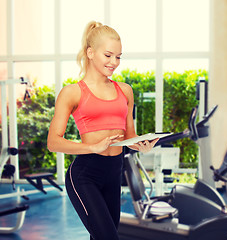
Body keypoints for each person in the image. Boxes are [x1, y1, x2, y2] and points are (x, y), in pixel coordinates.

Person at [47, 21, 158, 240]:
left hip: (114, 171)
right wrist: (92, 146)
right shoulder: (72, 93)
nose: (114, 62)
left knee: (103, 235)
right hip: (85, 174)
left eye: (118, 56)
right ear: (90, 52)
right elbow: (53, 142)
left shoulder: (125, 91)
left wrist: (141, 145)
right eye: (108, 55)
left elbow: (129, 136)